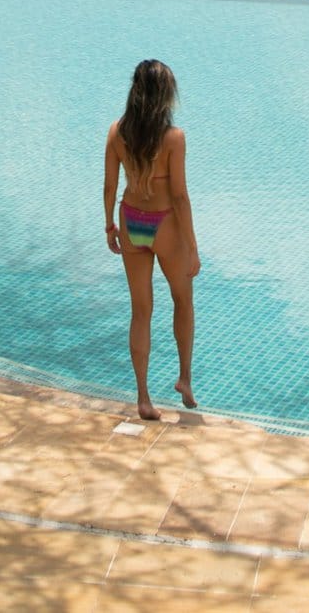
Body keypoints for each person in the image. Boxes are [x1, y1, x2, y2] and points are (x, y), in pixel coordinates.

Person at [103, 59, 201, 419]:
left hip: (131, 221)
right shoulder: (174, 138)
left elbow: (110, 185)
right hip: (164, 225)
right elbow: (179, 196)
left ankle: (143, 398)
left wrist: (109, 226)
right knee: (182, 301)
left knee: (141, 310)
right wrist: (192, 246)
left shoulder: (117, 131)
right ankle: (185, 379)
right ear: (165, 96)